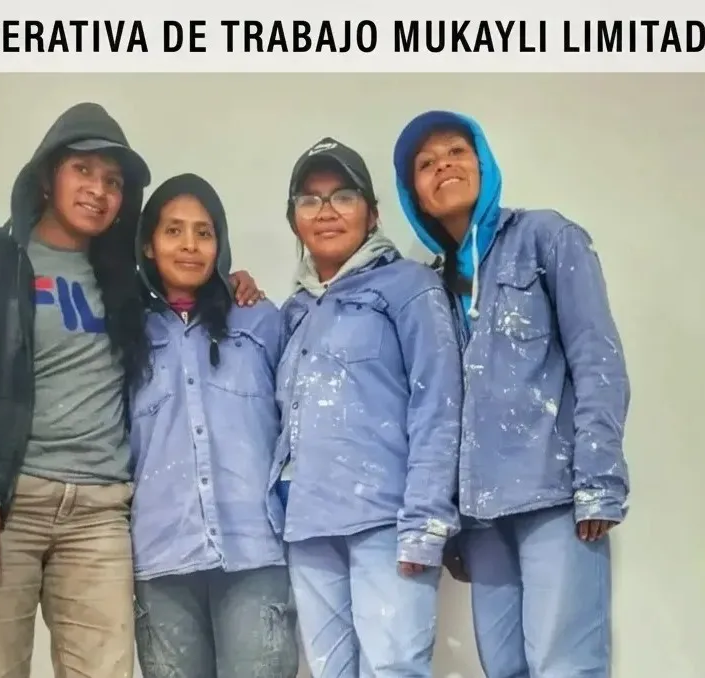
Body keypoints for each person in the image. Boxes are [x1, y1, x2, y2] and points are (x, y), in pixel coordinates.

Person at [0, 102, 264, 678]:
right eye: (83, 171)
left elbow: (183, 300)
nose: (99, 191)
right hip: (5, 503)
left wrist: (229, 283)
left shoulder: (124, 283)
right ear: (48, 176)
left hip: (100, 516)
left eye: (113, 181)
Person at [393, 110, 631, 678]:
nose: (443, 166)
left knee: (564, 665)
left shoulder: (546, 237)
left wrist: (598, 482)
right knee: (503, 668)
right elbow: (437, 409)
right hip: (481, 518)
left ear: (483, 163)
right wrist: (448, 517)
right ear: (414, 195)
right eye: (426, 164)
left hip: (554, 496)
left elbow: (597, 358)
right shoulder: (429, 287)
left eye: (457, 151)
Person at [275, 137, 463, 678]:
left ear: (372, 213)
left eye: (343, 196)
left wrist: (426, 521)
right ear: (294, 220)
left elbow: (438, 405)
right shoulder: (294, 310)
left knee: (393, 668)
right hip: (308, 525)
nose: (326, 211)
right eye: (310, 199)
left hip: (386, 519)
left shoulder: (410, 287)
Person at [129, 173, 298, 678]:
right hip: (161, 558)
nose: (189, 245)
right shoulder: (124, 331)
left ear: (219, 245)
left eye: (203, 233)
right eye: (173, 231)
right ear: (148, 245)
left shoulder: (260, 321)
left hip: (254, 553)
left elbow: (296, 424)